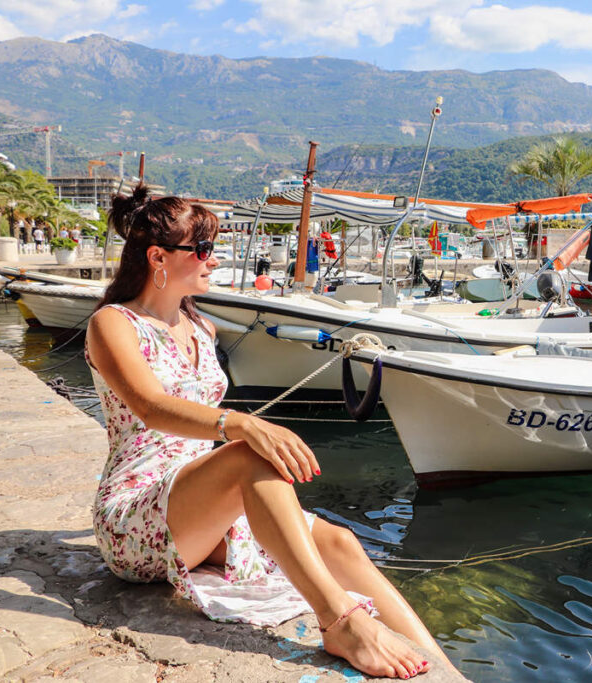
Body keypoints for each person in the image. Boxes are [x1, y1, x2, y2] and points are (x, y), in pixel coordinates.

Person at [85, 184, 447, 679]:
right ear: (157, 257)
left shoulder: (202, 328)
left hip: (198, 499)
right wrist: (240, 423)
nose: (215, 260)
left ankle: (445, 669)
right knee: (248, 452)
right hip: (139, 511)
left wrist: (238, 431)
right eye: (205, 250)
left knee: (340, 542)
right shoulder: (114, 323)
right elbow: (150, 408)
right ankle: (340, 621)